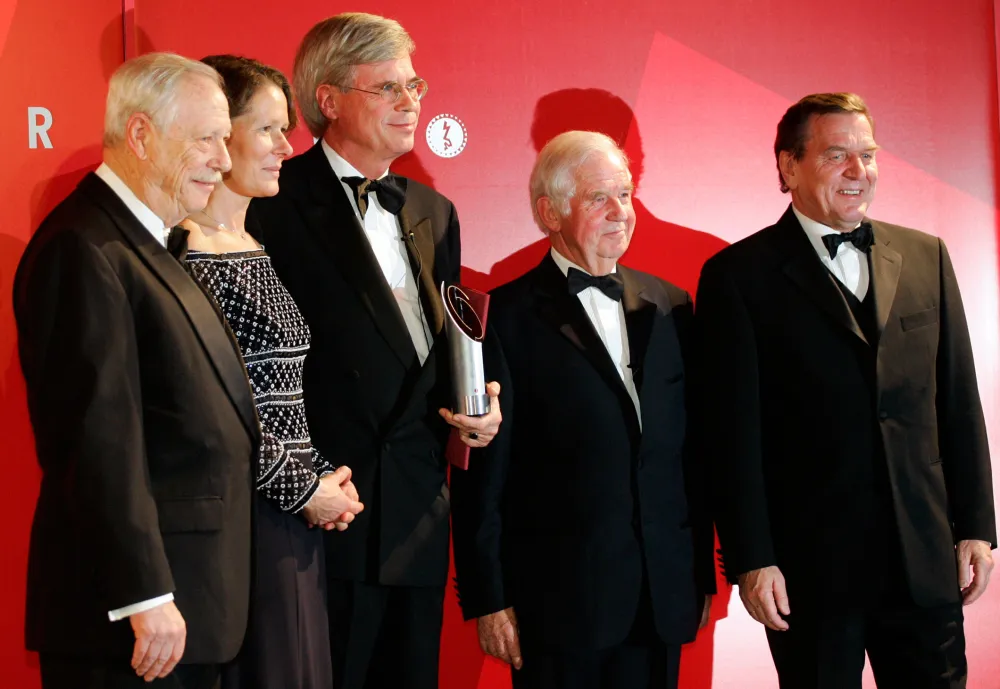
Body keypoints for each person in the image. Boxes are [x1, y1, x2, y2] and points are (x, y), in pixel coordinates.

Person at [696, 92, 997, 689]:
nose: (860, 172)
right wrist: (753, 558)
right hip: (810, 571)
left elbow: (959, 403)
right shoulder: (738, 276)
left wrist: (977, 526)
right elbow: (732, 436)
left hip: (923, 559)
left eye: (868, 155)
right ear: (788, 166)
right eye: (838, 155)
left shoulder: (924, 255)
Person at [248, 13, 502, 689]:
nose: (410, 100)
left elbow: (444, 342)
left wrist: (477, 405)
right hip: (324, 512)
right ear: (327, 100)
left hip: (420, 513)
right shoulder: (270, 201)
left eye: (414, 84)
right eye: (388, 87)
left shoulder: (433, 209)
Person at [14, 53, 255, 688]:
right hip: (133, 624)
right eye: (206, 139)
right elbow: (96, 439)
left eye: (226, 140)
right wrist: (144, 595)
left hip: (188, 608)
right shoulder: (84, 247)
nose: (225, 161)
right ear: (142, 134)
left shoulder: (147, 242)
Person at [451, 131, 714, 689]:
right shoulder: (506, 318)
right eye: (600, 198)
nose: (622, 211)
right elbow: (483, 475)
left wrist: (697, 574)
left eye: (626, 193)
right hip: (558, 607)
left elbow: (691, 455)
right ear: (550, 211)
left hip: (660, 600)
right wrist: (489, 597)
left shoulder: (673, 305)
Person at [176, 54, 365, 689]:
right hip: (242, 527)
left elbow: (279, 395)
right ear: (215, 132)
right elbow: (211, 407)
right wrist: (303, 488)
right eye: (267, 129)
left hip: (292, 521)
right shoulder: (186, 254)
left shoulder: (256, 245)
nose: (288, 146)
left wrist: (321, 482)